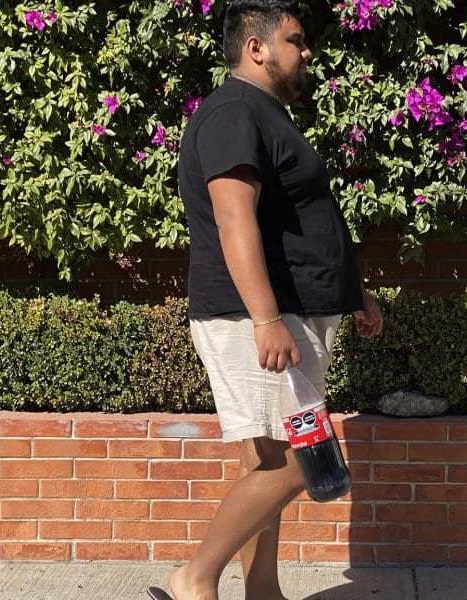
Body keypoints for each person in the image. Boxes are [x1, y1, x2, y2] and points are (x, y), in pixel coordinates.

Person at [148, 1, 383, 599]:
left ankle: (264, 592)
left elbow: (302, 218)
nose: (307, 52)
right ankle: (194, 578)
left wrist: (354, 291)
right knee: (306, 461)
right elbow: (234, 222)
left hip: (287, 313)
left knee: (269, 461)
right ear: (256, 48)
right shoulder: (232, 112)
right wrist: (266, 318)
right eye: (295, 40)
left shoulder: (263, 113)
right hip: (256, 318)